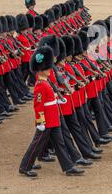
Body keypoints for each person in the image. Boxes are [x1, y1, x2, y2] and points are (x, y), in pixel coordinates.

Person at [19, 46, 84, 177]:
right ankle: (25, 167)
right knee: (37, 143)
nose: (50, 69)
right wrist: (41, 121)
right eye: (47, 68)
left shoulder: (46, 82)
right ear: (41, 70)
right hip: (47, 119)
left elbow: (49, 98)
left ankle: (68, 167)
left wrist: (57, 100)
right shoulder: (40, 85)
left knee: (60, 143)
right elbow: (38, 105)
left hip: (54, 116)